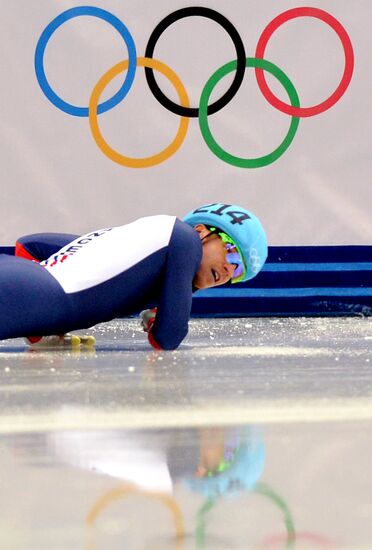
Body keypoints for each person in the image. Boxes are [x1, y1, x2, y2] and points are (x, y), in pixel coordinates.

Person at [0, 202, 267, 350]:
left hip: (25, 284)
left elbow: (29, 245)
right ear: (201, 232)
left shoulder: (135, 240)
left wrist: (42, 326)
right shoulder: (183, 239)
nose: (228, 272)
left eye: (238, 272)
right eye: (231, 253)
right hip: (30, 293)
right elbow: (169, 336)